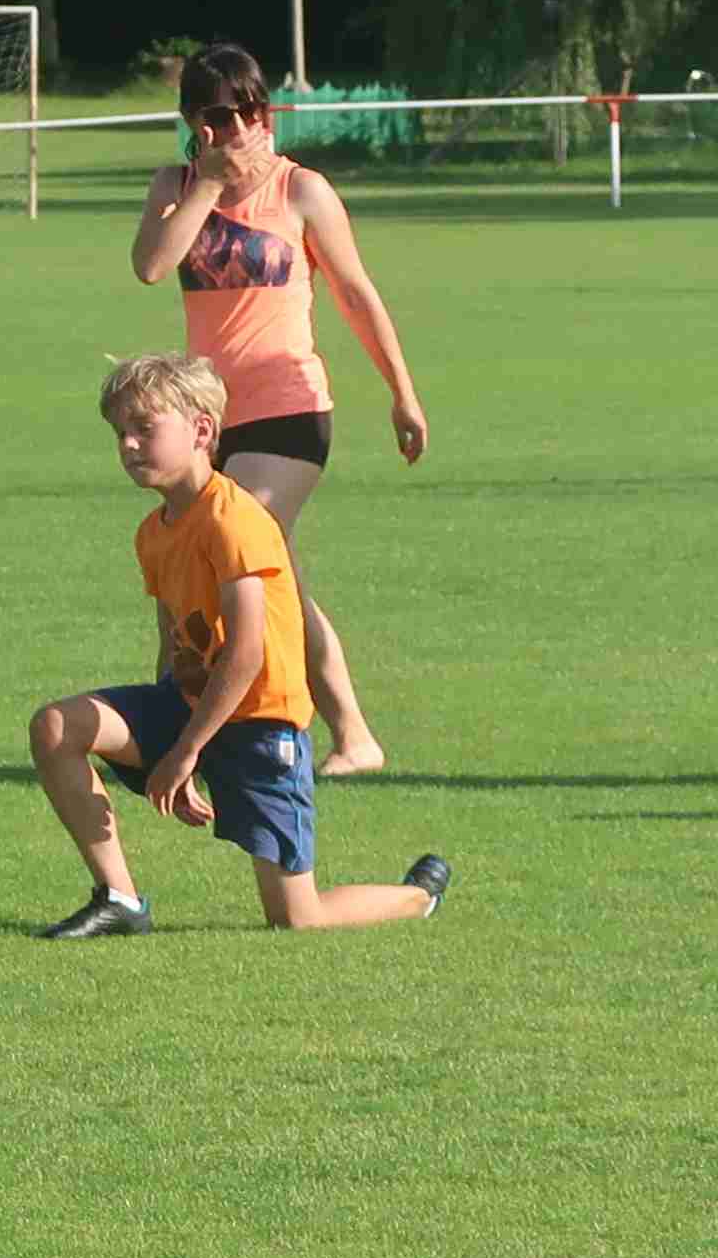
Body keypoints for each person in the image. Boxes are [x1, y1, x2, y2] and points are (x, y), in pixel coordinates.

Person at [25, 355, 448, 940]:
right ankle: (120, 899)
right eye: (120, 432)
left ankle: (417, 897)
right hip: (194, 709)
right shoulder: (153, 532)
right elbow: (174, 641)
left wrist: (184, 753)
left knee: (296, 917)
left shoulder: (235, 520)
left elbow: (246, 656)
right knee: (56, 726)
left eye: (144, 428)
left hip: (260, 728)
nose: (128, 445)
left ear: (202, 430)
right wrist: (170, 734)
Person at [127, 44, 429, 777]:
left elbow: (356, 294)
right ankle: (344, 734)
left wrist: (403, 393)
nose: (243, 128)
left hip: (289, 406)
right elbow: (152, 265)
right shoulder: (175, 185)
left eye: (253, 110)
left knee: (234, 543)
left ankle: (217, 728)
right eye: (222, 115)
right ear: (193, 122)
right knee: (258, 571)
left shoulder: (302, 190)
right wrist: (208, 184)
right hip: (206, 417)